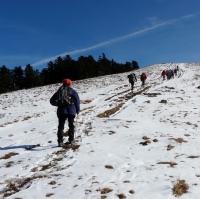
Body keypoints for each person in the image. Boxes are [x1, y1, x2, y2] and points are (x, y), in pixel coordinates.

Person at [50, 78, 80, 147]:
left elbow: (51, 101)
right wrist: (77, 110)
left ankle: (60, 142)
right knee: (71, 125)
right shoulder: (72, 91)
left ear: (62, 83)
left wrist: (58, 104)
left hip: (61, 111)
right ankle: (71, 140)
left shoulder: (59, 91)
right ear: (70, 84)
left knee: (61, 126)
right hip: (71, 111)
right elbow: (77, 102)